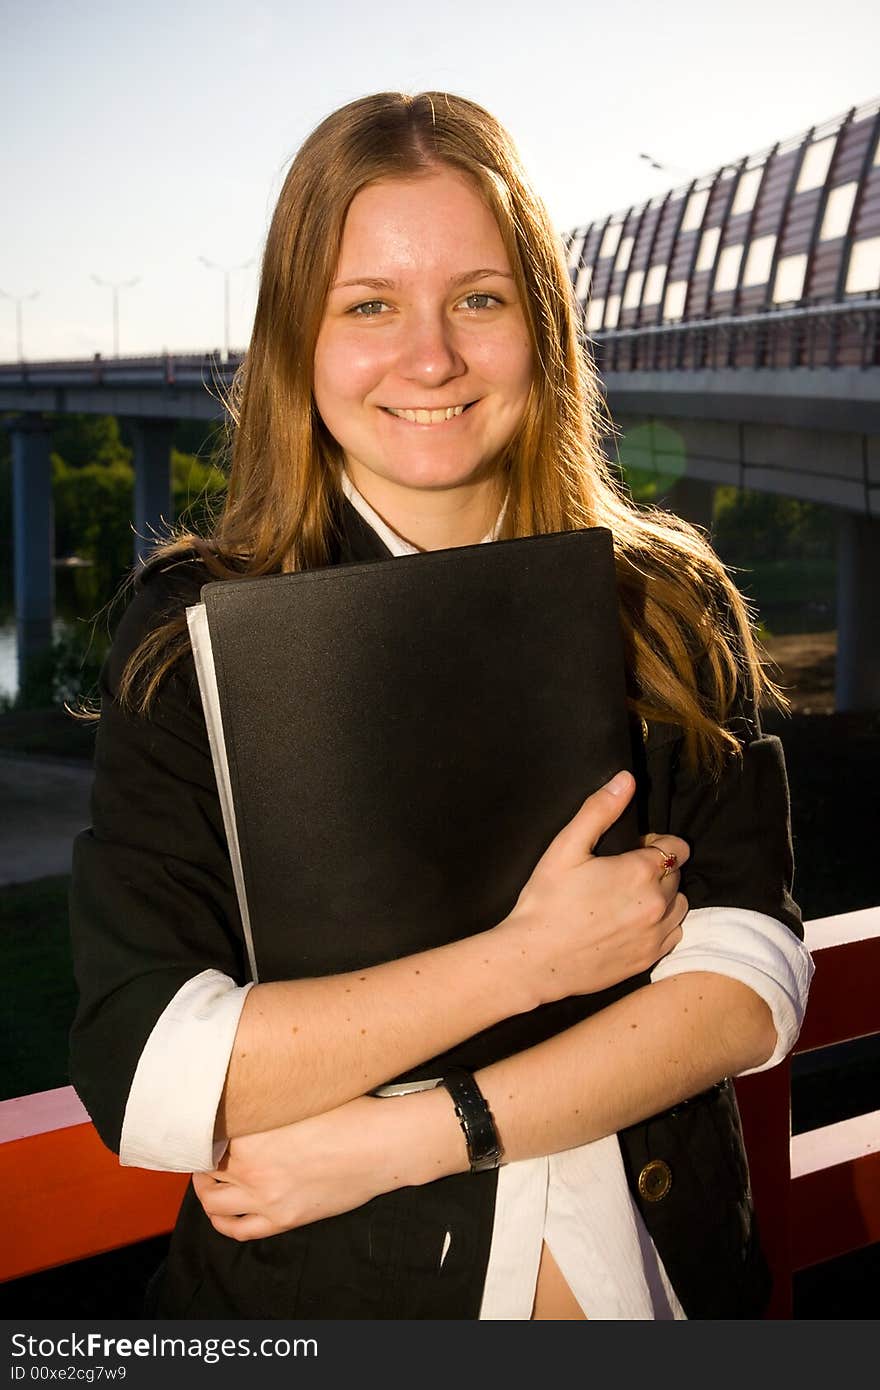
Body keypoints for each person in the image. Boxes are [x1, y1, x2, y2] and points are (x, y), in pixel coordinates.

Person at [68, 90, 813, 1321]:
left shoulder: (665, 600)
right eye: (368, 307)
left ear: (542, 324)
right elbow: (151, 1073)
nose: (431, 359)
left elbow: (749, 977)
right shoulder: (188, 629)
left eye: (479, 298)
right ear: (295, 340)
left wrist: (409, 1136)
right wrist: (529, 963)